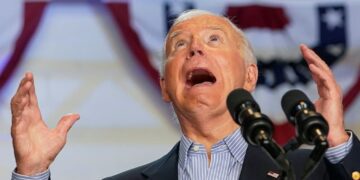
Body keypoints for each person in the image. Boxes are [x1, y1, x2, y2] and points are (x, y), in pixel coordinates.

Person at [11, 9, 359, 180]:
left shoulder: (313, 171)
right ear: (165, 86)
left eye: (213, 40)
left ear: (249, 76)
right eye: (180, 44)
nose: (194, 49)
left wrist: (337, 140)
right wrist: (32, 171)